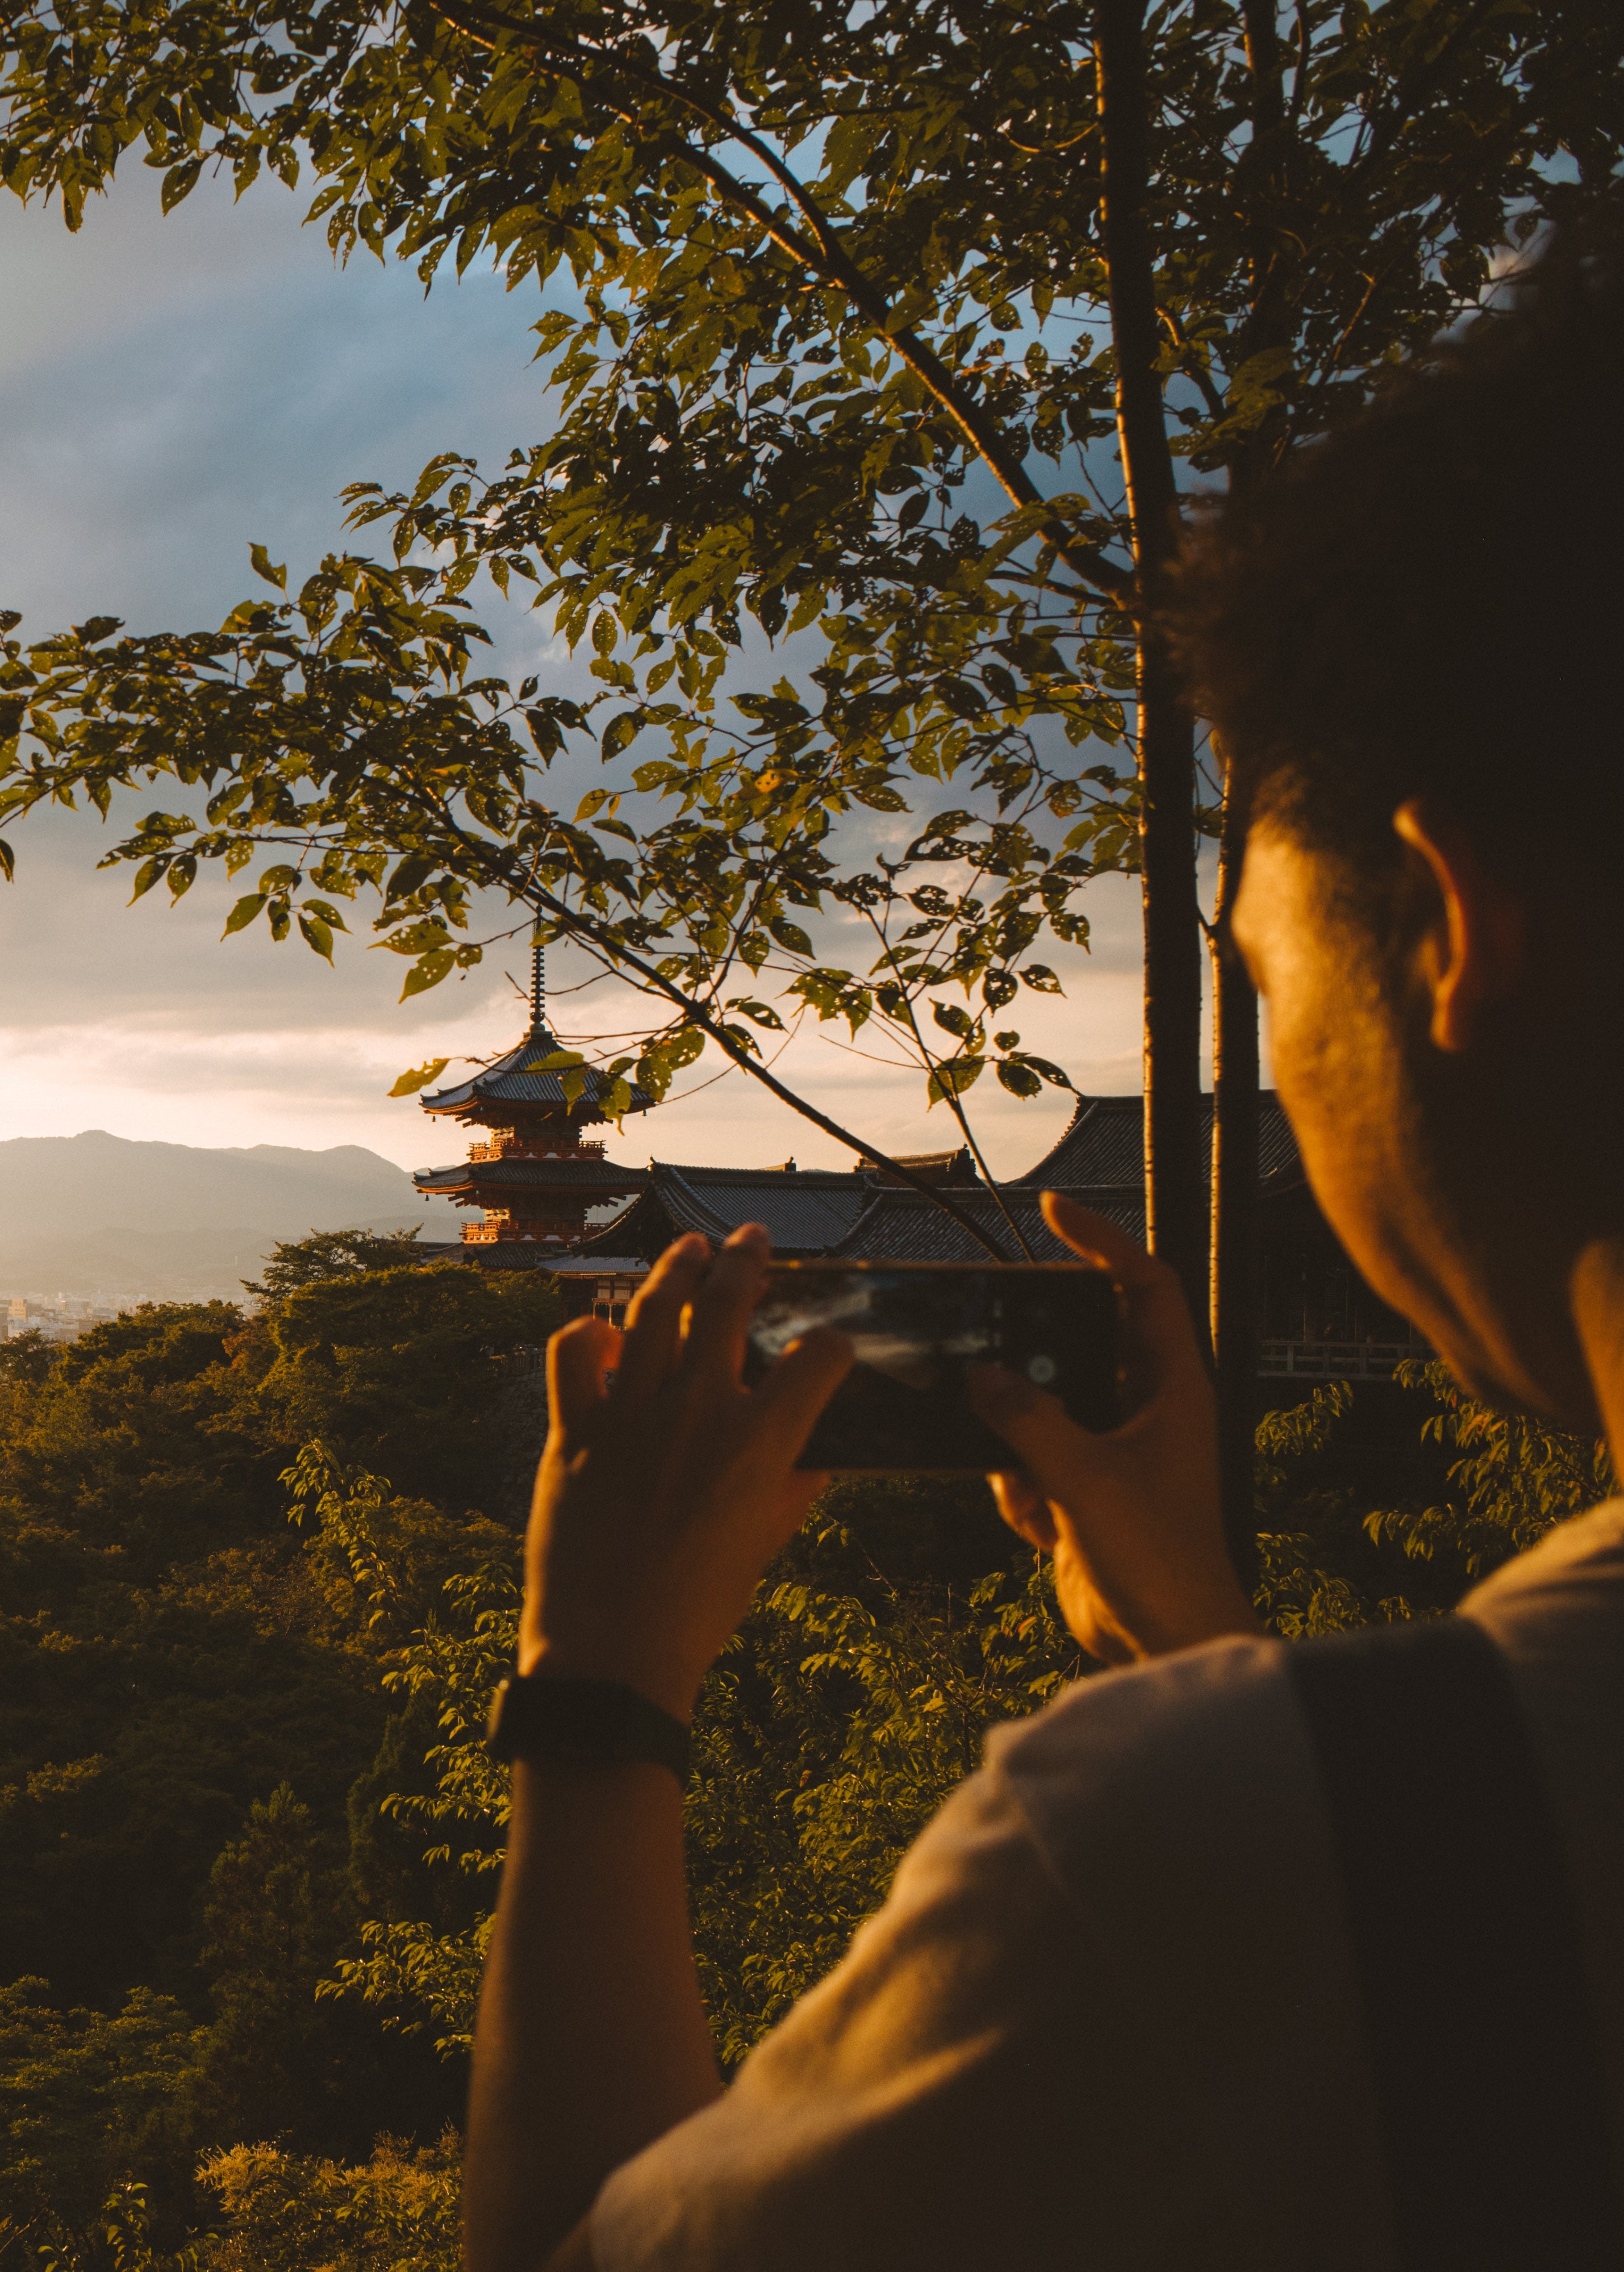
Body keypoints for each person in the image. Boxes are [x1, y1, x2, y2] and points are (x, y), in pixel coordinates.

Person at [462, 229, 1623, 2270]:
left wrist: (597, 1689)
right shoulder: (1354, 1812)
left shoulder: (1173, 1845)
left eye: (1260, 970)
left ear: (1454, 930)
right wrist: (1199, 1634)